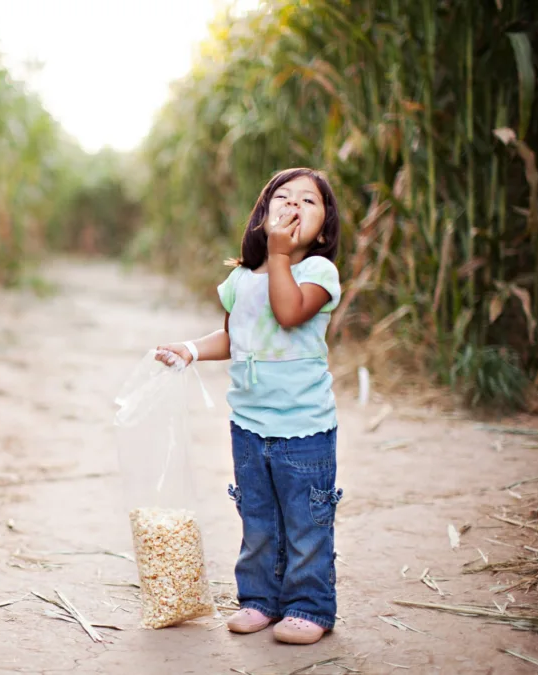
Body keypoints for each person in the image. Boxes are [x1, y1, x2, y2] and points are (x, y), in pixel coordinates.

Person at [155, 167, 343, 645]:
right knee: (258, 519)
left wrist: (279, 256)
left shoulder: (317, 273)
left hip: (304, 428)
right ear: (263, 216)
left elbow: (288, 312)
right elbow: (234, 336)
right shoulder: (241, 278)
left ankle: (309, 606)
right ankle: (260, 600)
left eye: (308, 201)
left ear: (322, 228)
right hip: (249, 425)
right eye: (284, 198)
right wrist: (192, 349)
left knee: (306, 522)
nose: (295, 205)